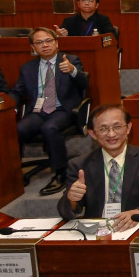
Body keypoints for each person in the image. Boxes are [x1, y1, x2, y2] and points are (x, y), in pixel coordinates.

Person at [57, 104, 139, 230]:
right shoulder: (79, 165)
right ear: (93, 133)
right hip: (97, 231)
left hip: (135, 227)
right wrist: (72, 200)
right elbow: (65, 212)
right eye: (103, 129)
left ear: (128, 128)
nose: (111, 134)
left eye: (117, 127)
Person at [9, 28, 89, 196]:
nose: (44, 45)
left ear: (56, 43)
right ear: (33, 47)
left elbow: (84, 84)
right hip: (38, 111)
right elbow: (17, 91)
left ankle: (61, 173)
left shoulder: (70, 60)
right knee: (18, 129)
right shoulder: (28, 68)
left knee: (49, 128)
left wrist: (73, 71)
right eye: (39, 42)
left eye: (48, 41)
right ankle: (14, 172)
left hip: (63, 109)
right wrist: (11, 106)